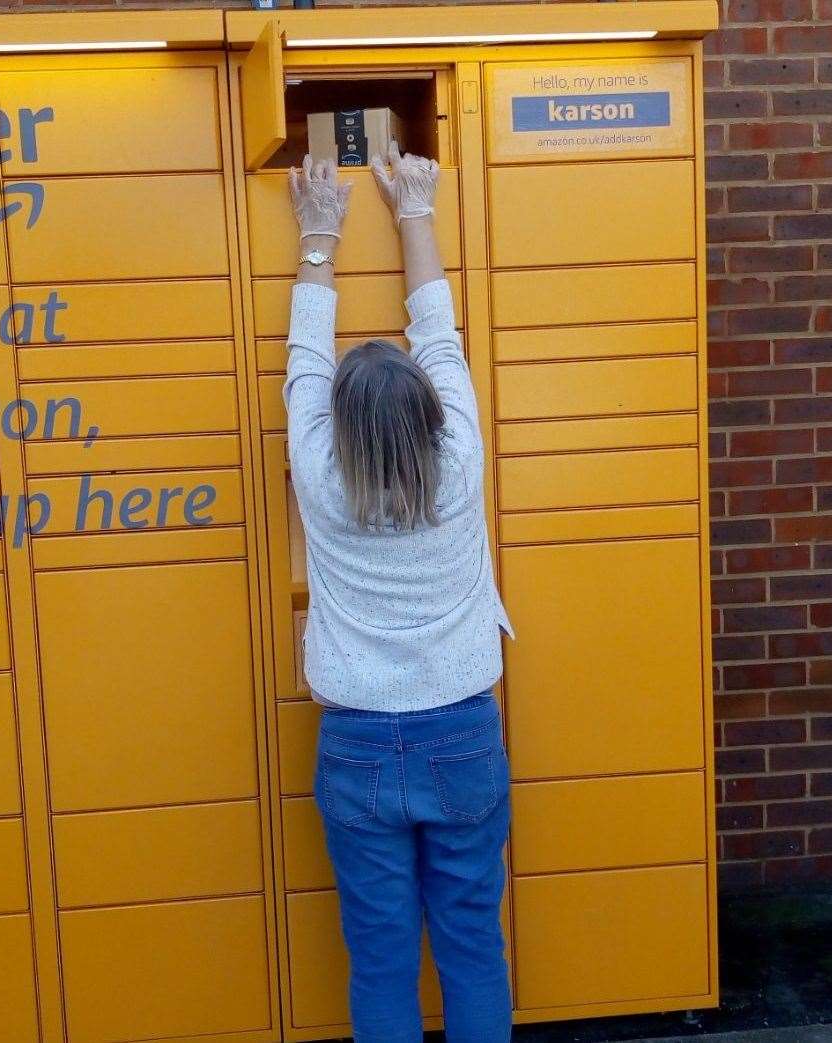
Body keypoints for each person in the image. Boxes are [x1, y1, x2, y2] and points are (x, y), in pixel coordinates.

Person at [284, 141, 515, 1043]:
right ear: (431, 411)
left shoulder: (320, 475)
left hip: (358, 747)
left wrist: (317, 233)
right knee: (471, 947)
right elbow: (440, 333)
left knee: (379, 957)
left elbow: (305, 361)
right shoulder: (459, 462)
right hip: (462, 731)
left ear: (337, 426)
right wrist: (413, 207)